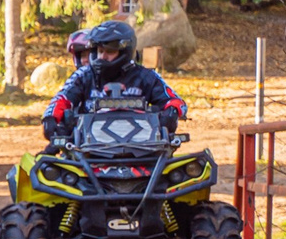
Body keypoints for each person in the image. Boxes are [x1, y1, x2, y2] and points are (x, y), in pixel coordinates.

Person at [43, 18, 186, 146]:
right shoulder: (84, 75)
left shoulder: (146, 76)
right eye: (99, 51)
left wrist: (171, 112)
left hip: (143, 148)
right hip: (88, 150)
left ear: (125, 52)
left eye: (109, 52)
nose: (102, 57)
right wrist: (50, 118)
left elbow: (176, 101)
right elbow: (61, 99)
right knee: (44, 169)